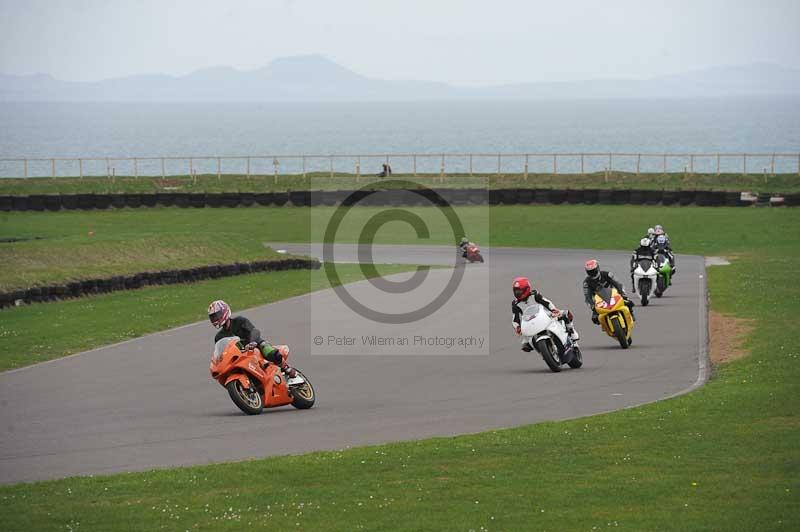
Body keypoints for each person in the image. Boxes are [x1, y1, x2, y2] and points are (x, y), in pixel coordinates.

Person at [208, 300, 300, 382]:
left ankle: (287, 369)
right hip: (238, 356)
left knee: (268, 350)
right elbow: (220, 353)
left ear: (224, 312)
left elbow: (253, 331)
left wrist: (252, 342)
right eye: (212, 317)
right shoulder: (219, 337)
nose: (215, 319)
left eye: (217, 315)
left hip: (255, 346)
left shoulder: (240, 321)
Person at [511, 276, 579, 352]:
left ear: (526, 289)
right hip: (530, 323)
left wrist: (553, 309)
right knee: (525, 345)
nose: (517, 293)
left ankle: (572, 334)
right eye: (516, 291)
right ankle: (540, 350)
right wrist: (517, 327)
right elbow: (515, 318)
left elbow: (546, 302)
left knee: (566, 314)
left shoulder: (534, 295)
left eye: (519, 291)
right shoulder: (515, 304)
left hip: (545, 316)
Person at [583, 259, 635, 323]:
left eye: (593, 270)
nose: (592, 273)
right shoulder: (586, 282)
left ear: (598, 268)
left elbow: (617, 284)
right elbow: (587, 296)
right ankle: (605, 325)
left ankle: (631, 314)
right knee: (595, 319)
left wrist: (622, 293)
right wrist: (592, 306)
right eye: (590, 271)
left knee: (628, 302)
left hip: (614, 294)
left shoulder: (607, 274)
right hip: (599, 300)